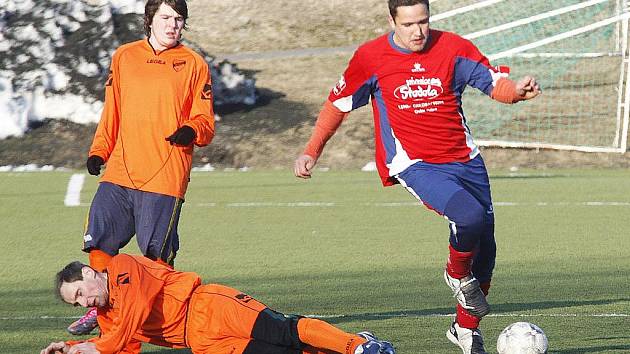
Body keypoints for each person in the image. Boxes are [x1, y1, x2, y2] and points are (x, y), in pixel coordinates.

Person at [293, 1, 541, 353]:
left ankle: (465, 329)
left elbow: (492, 82)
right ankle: (455, 274)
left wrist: (515, 92)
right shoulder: (372, 57)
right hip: (416, 163)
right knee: (467, 217)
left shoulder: (453, 47)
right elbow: (338, 103)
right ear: (392, 20)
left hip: (466, 159)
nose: (418, 31)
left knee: (486, 249)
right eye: (408, 24)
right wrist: (311, 151)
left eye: (423, 21)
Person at [67, 0, 215, 335]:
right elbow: (112, 111)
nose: (172, 25)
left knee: (155, 255)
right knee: (99, 241)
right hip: (120, 170)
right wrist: (99, 151)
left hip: (165, 175)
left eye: (179, 19)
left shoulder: (194, 64)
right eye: (165, 17)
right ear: (150, 20)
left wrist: (191, 130)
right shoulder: (124, 56)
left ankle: (167, 318)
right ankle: (103, 313)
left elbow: (205, 120)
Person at [41, 254, 396, 354]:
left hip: (210, 307)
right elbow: (125, 346)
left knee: (286, 331)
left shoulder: (121, 268)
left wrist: (95, 346)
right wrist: (71, 348)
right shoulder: (108, 318)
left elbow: (131, 316)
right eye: (77, 304)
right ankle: (354, 344)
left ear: (88, 273)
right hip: (203, 343)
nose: (84, 303)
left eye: (79, 294)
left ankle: (358, 347)